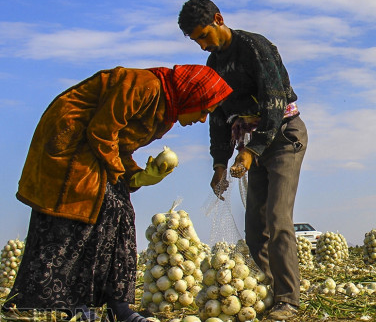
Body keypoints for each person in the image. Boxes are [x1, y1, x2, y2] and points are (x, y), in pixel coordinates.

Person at [1, 65, 232, 322]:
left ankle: (116, 305)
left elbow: (121, 144)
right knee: (78, 212)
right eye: (204, 110)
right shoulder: (144, 85)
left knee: (119, 213)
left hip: (95, 149)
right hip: (71, 144)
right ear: (192, 95)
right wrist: (122, 172)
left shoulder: (164, 112)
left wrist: (138, 176)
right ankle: (56, 304)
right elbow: (102, 130)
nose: (202, 119)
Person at [178, 0, 308, 321]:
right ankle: (263, 292)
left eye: (204, 36)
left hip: (282, 137)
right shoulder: (214, 66)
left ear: (218, 19)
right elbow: (218, 117)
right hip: (251, 141)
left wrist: (251, 151)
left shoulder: (254, 48)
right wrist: (219, 163)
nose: (203, 45)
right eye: (196, 41)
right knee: (254, 227)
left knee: (277, 220)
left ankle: (288, 300)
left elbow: (274, 102)